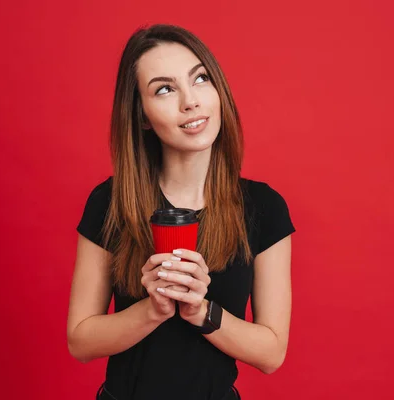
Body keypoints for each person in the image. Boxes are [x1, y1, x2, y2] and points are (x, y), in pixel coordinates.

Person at [67, 24, 295, 400]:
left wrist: (200, 310)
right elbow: (80, 341)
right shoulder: (109, 202)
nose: (190, 101)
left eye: (200, 79)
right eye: (165, 89)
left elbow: (271, 353)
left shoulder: (264, 207)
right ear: (141, 115)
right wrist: (153, 310)